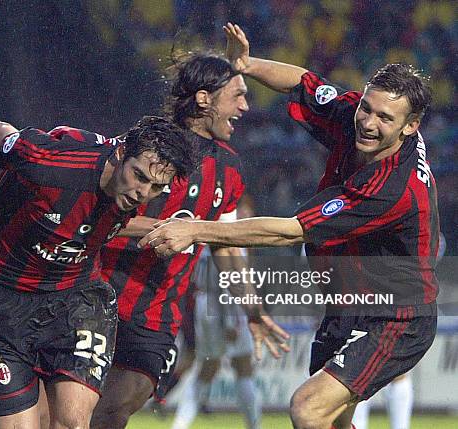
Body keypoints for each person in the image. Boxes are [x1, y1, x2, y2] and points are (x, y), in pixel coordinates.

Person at [0, 30, 289, 429]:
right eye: (237, 95)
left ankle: (5, 380)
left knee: (112, 410)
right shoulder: (142, 148)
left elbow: (225, 245)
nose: (245, 106)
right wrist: (168, 229)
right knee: (51, 419)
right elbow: (91, 200)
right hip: (91, 293)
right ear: (204, 99)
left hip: (156, 315)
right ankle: (2, 380)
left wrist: (251, 308)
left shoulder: (230, 171)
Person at [140, 23, 438, 429]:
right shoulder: (357, 117)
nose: (367, 122)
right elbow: (303, 82)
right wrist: (246, 65)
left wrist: (197, 230)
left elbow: (290, 230)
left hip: (396, 312)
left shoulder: (391, 187)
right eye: (367, 107)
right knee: (332, 420)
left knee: (307, 407)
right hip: (348, 302)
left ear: (410, 127)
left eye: (384, 117)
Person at [0, 87, 195, 429]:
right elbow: (3, 135)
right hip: (4, 301)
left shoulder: (137, 190)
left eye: (156, 187)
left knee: (72, 423)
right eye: (139, 176)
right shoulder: (53, 161)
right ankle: (0, 382)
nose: (142, 192)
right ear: (118, 155)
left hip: (78, 301)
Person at [171, 245, 261, 429]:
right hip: (225, 305)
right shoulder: (231, 240)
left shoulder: (204, 238)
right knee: (243, 365)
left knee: (207, 367)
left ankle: (179, 425)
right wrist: (232, 321)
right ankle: (254, 426)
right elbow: (230, 279)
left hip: (202, 303)